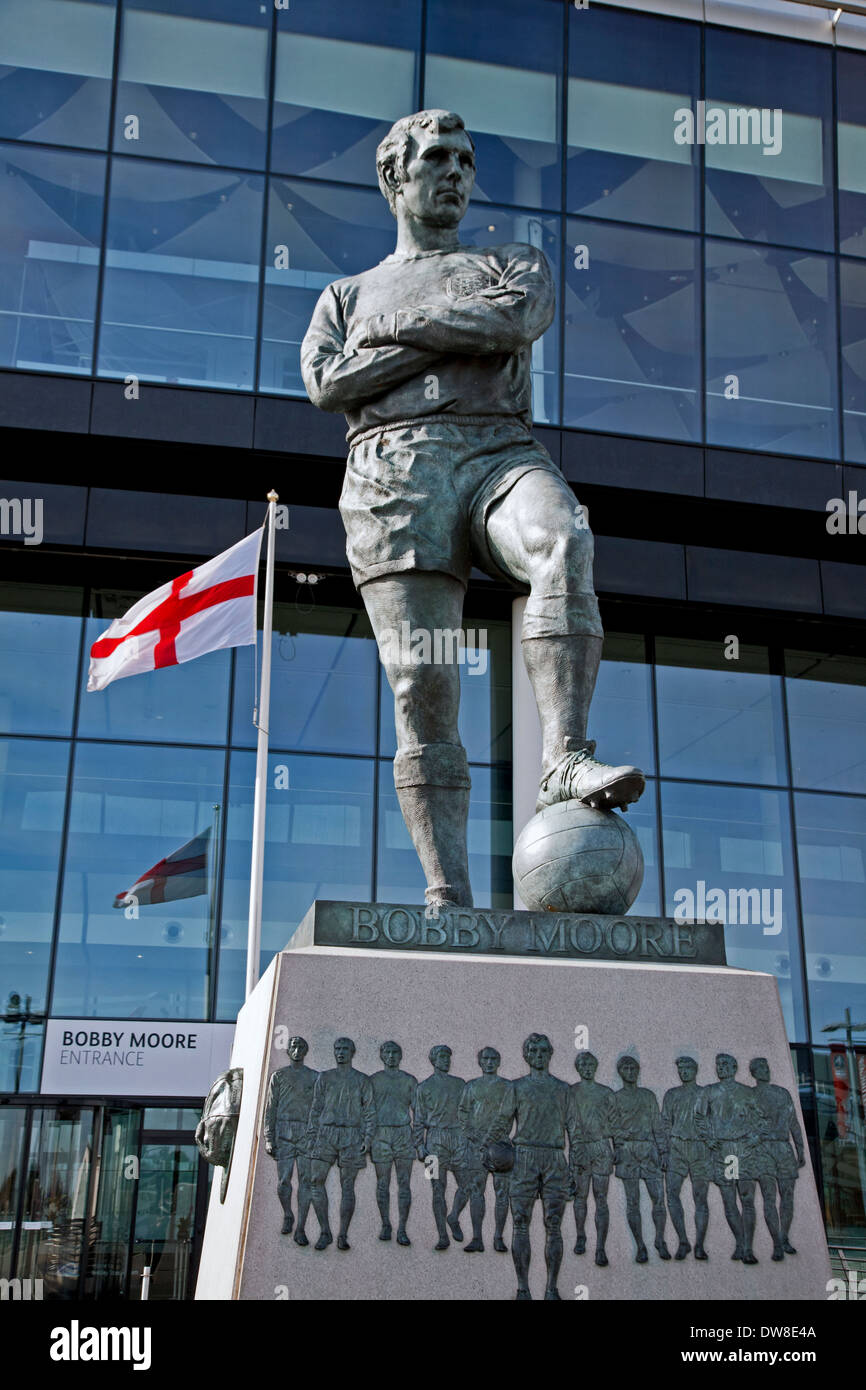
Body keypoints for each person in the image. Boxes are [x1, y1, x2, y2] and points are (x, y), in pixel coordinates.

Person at [301, 108, 645, 913]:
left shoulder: (511, 261)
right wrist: (450, 335)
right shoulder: (345, 295)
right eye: (437, 160)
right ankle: (446, 894)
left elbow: (514, 318)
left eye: (466, 160)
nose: (456, 173)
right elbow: (327, 384)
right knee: (424, 682)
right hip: (393, 474)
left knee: (562, 538)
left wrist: (399, 330)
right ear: (395, 177)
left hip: (497, 449)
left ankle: (562, 756)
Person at [484, 1033, 579, 1300]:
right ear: (526, 1056)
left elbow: (575, 1130)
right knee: (520, 1221)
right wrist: (488, 1151)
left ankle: (551, 1288)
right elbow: (502, 1123)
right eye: (533, 1051)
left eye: (543, 1051)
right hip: (524, 1156)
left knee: (554, 1223)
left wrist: (575, 1167)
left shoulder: (563, 1089)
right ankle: (523, 1288)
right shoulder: (517, 1087)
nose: (538, 1055)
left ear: (550, 1054)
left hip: (553, 1158)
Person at [306, 1037, 375, 1252]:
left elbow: (369, 1111)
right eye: (337, 1049)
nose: (341, 1052)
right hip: (326, 1133)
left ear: (352, 1052)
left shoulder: (362, 1080)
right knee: (316, 1180)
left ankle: (343, 1234)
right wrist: (311, 1136)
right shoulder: (324, 1078)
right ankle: (325, 1231)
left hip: (351, 1135)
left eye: (345, 1049)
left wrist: (368, 1137)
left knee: (348, 1186)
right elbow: (316, 1108)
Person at [702, 1053, 763, 1265]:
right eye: (718, 1064)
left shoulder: (747, 1092)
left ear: (735, 1067)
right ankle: (740, 1242)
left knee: (747, 1198)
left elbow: (760, 1118)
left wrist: (756, 1134)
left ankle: (748, 1247)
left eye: (725, 1064)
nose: (721, 1067)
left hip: (743, 1149)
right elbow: (699, 1116)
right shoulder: (710, 1091)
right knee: (729, 1200)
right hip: (725, 1150)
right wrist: (708, 1137)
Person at [610, 1055, 670, 1264]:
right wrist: (617, 1146)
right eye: (625, 1068)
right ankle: (640, 1246)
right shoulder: (616, 1097)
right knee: (632, 1201)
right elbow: (614, 1125)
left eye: (633, 1067)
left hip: (649, 1149)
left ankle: (660, 1240)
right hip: (628, 1150)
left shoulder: (648, 1095)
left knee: (658, 1199)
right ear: (620, 1072)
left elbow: (658, 1124)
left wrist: (664, 1151)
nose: (630, 1071)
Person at [452, 1046, 512, 1253]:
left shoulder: (507, 1086)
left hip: (501, 1146)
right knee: (477, 1190)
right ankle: (477, 1237)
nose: (489, 1062)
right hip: (476, 1145)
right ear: (480, 1061)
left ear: (498, 1061)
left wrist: (493, 1138)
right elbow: (463, 1113)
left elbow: (508, 1114)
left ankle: (498, 1236)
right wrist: (473, 1135)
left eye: (494, 1058)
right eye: (485, 1058)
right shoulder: (471, 1086)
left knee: (502, 1193)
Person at [749, 1056, 805, 1259]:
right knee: (769, 1197)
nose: (765, 1070)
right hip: (762, 1150)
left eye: (766, 1066)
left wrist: (800, 1150)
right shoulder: (750, 1095)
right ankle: (776, 1244)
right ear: (753, 1073)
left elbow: (794, 1124)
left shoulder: (783, 1093)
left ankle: (784, 1237)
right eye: (760, 1067)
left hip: (783, 1148)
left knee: (787, 1196)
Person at [263, 1035, 318, 1244]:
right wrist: (269, 1137)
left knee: (306, 1180)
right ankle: (287, 1214)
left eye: (301, 1046)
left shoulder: (314, 1077)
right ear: (288, 1051)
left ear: (305, 1051)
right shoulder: (278, 1076)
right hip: (284, 1132)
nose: (297, 1049)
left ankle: (302, 1227)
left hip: (306, 1132)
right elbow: (270, 1109)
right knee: (284, 1180)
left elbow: (318, 1108)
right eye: (293, 1046)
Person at [412, 1044, 466, 1251]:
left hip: (458, 1139)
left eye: (448, 1057)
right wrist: (419, 1145)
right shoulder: (423, 1087)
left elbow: (467, 1112)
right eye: (442, 1056)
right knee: (437, 1188)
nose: (446, 1060)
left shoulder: (460, 1084)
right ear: (433, 1060)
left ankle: (453, 1216)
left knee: (467, 1184)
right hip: (434, 1141)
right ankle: (443, 1235)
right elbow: (418, 1120)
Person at [661, 1056, 711, 1262]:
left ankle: (699, 1244)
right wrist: (664, 1151)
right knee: (672, 1193)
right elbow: (664, 1122)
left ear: (696, 1069)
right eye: (681, 1069)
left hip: (699, 1148)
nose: (684, 1072)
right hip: (677, 1147)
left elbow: (713, 1122)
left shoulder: (705, 1094)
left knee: (700, 1197)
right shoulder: (671, 1094)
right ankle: (683, 1241)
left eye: (687, 1068)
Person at [569, 1050, 615, 1267]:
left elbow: (615, 1123)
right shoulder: (571, 1092)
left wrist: (618, 1149)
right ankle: (580, 1236)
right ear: (578, 1069)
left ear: (595, 1067)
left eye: (590, 1065)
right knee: (580, 1197)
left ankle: (600, 1248)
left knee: (601, 1198)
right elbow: (565, 1123)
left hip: (601, 1147)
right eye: (583, 1065)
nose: (587, 1068)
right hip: (580, 1147)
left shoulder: (606, 1092)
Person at [370, 1040, 418, 1246]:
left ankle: (402, 1228)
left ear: (400, 1056)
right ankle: (385, 1224)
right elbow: (367, 1112)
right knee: (383, 1183)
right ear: (382, 1056)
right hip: (380, 1134)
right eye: (387, 1052)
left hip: (403, 1133)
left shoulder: (409, 1080)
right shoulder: (373, 1080)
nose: (391, 1056)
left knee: (404, 1183)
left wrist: (418, 1139)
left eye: (395, 1052)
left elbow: (419, 1111)